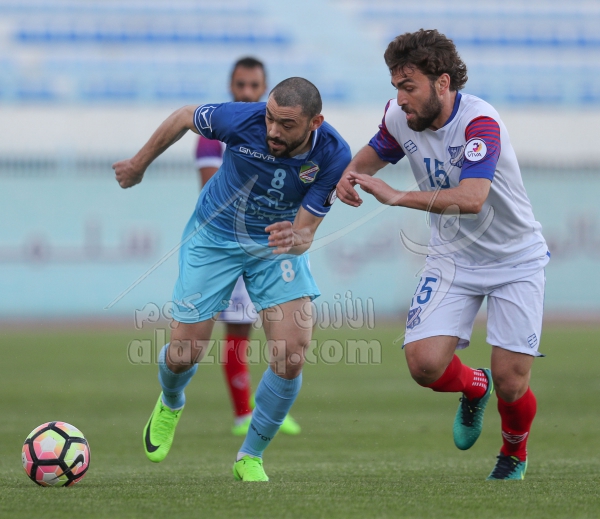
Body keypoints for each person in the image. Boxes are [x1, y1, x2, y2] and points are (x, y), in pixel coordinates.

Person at [113, 77, 351, 481]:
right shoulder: (242, 119)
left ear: (315, 122)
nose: (273, 130)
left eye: (286, 124)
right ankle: (171, 400)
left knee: (292, 353)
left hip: (274, 244)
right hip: (215, 236)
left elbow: (306, 233)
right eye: (270, 118)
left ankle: (250, 456)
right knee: (185, 353)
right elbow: (184, 116)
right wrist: (139, 164)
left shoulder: (333, 153)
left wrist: (296, 238)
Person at [336, 29, 548, 480]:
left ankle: (513, 452)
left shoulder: (480, 123)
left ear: (443, 83)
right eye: (396, 86)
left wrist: (397, 197)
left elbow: (472, 199)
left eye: (408, 86)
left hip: (515, 260)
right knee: (424, 365)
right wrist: (345, 177)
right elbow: (369, 157)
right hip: (452, 258)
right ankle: (474, 386)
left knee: (512, 382)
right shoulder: (400, 117)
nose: (400, 98)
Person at [195, 56, 300, 437]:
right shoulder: (213, 133)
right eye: (240, 85)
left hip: (267, 245)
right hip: (229, 243)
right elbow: (214, 189)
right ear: (230, 86)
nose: (246, 92)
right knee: (236, 329)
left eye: (254, 86)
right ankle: (243, 413)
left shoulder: (279, 134)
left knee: (280, 327)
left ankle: (268, 409)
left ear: (265, 89)